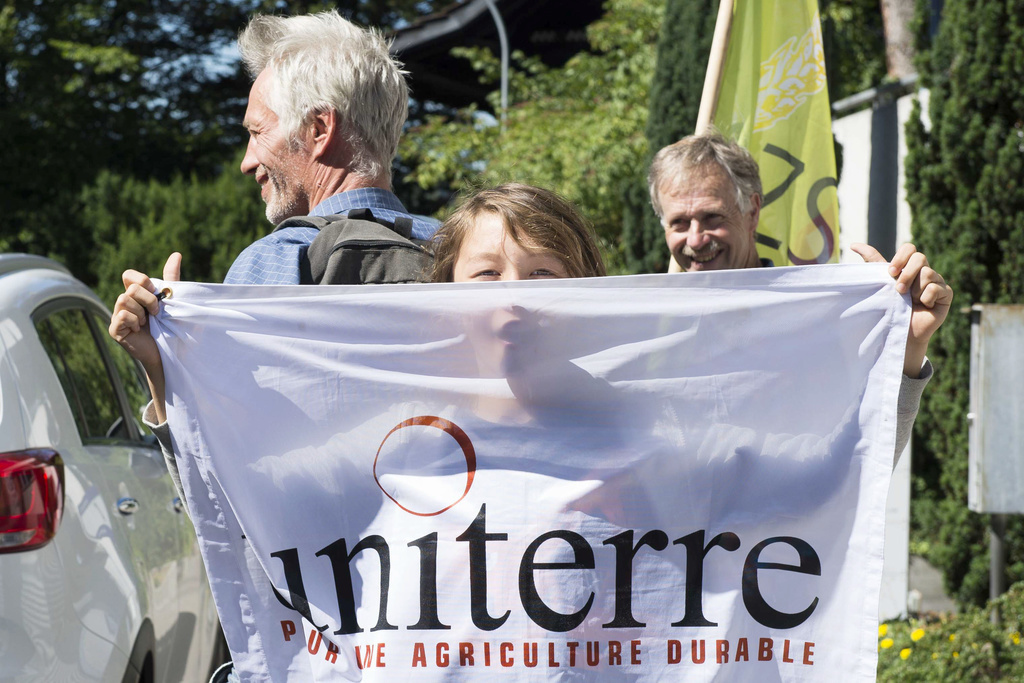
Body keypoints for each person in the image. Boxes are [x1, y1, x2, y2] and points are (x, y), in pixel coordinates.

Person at [648, 131, 954, 456]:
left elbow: (862, 464)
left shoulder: (821, 321)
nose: (695, 239)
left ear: (752, 211)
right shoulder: (650, 338)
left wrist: (906, 346)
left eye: (711, 217)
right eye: (679, 223)